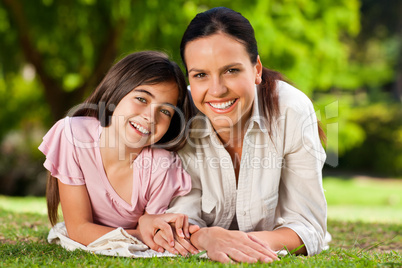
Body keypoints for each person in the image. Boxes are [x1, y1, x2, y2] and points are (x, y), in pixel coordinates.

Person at [154, 7, 328, 263]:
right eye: (201, 75)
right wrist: (207, 238)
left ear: (256, 69)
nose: (217, 90)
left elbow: (308, 226)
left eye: (231, 70)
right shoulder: (180, 117)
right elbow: (180, 219)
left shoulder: (292, 111)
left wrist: (234, 242)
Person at [39, 51, 199, 255]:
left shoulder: (162, 166)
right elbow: (78, 229)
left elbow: (154, 231)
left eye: (166, 111)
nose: (151, 117)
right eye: (142, 98)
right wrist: (142, 233)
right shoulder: (73, 135)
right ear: (116, 92)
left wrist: (150, 228)